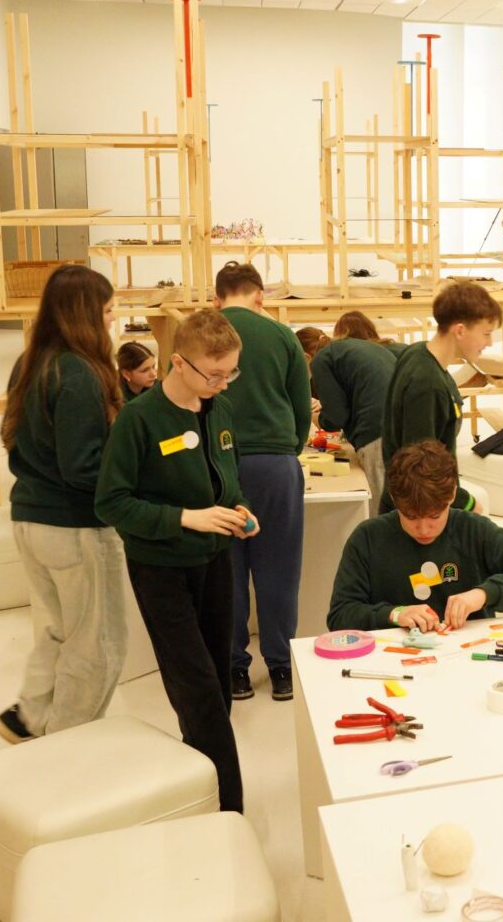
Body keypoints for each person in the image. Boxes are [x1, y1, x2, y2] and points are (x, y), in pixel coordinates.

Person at [95, 308, 257, 813]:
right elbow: (111, 503)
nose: (224, 384)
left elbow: (226, 478)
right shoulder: (138, 420)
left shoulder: (219, 409)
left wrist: (238, 509)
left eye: (231, 372)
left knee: (216, 687)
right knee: (198, 691)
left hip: (216, 561)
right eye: (215, 374)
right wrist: (186, 518)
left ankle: (200, 788)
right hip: (161, 569)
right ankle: (228, 809)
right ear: (179, 363)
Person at [0, 265, 129, 744]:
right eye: (108, 310)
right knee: (99, 645)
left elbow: (16, 440)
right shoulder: (78, 374)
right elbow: (83, 468)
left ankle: (28, 718)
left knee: (58, 630)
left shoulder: (31, 362)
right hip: (74, 529)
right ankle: (68, 744)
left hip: (30, 520)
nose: (112, 319)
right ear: (85, 314)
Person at [212, 262, 312, 703]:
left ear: (216, 298)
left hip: (217, 465)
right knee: (278, 570)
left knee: (227, 572)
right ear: (260, 296)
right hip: (274, 464)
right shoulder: (281, 336)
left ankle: (234, 669)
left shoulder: (203, 333)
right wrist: (289, 447)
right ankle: (281, 668)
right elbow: (302, 406)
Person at [327, 441, 503, 632]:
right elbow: (340, 615)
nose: (424, 529)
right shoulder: (368, 538)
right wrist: (394, 614)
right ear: (394, 499)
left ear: (452, 494)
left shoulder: (472, 529)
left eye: (435, 516)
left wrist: (482, 594)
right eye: (411, 517)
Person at [380, 279, 501, 512]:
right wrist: (466, 503)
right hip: (419, 512)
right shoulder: (427, 383)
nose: (489, 342)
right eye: (486, 333)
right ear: (460, 330)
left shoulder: (418, 353)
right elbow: (420, 471)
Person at [308, 315, 398, 516]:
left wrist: (314, 418)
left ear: (306, 358)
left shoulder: (322, 359)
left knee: (380, 512)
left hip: (376, 433)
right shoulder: (366, 349)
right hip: (401, 428)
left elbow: (335, 418)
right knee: (400, 505)